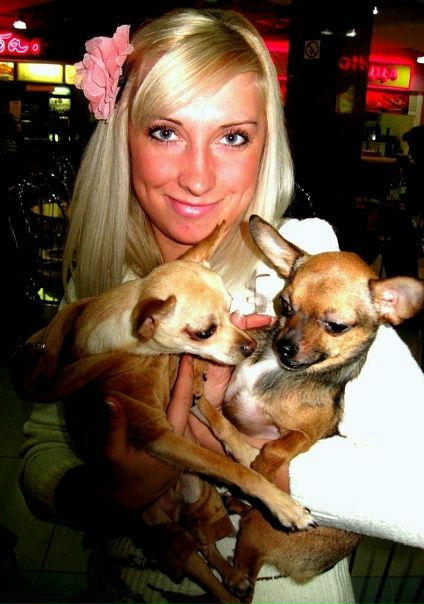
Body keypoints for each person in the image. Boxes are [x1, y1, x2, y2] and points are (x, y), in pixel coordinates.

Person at [18, 8, 424, 604]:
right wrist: (105, 494)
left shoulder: (312, 268)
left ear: (265, 147)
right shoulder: (109, 276)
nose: (199, 178)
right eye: (166, 132)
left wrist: (244, 455)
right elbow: (41, 446)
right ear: (122, 139)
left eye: (233, 136)